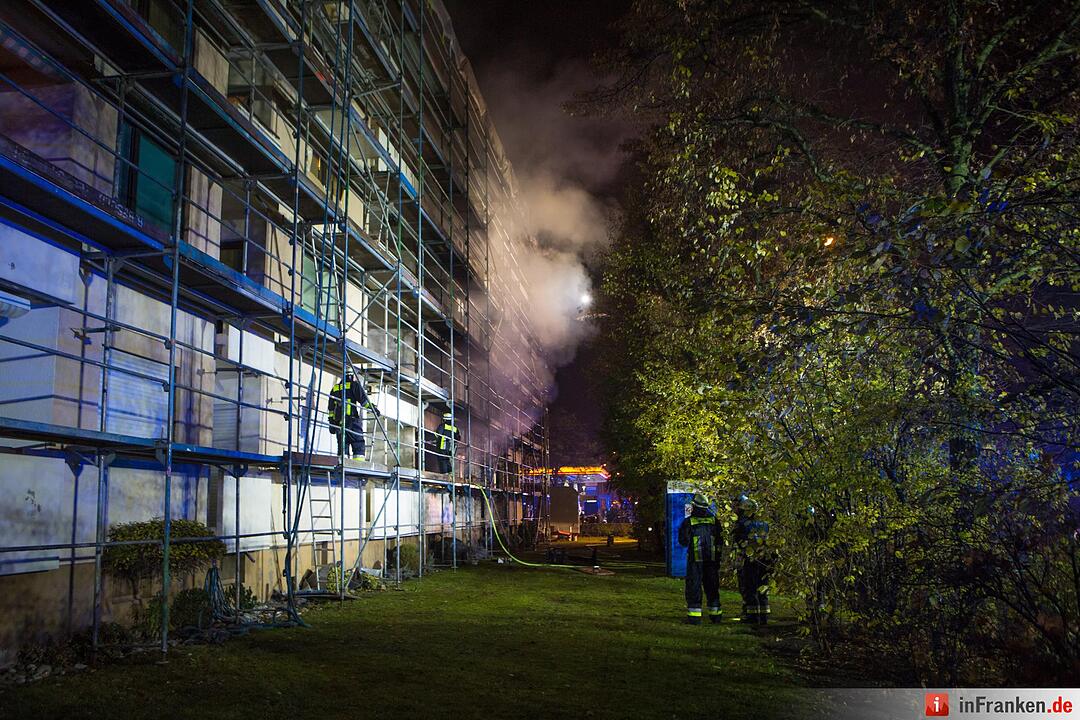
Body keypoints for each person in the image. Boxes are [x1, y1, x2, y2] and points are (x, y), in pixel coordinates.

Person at [678, 493, 723, 625]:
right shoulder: (714, 520)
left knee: (694, 587)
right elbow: (720, 540)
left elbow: (683, 541)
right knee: (712, 587)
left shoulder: (689, 522)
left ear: (694, 506)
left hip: (696, 561)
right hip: (712, 560)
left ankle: (695, 617)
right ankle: (716, 616)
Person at [733, 493, 774, 624]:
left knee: (750, 587)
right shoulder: (765, 524)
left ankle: (752, 616)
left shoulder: (743, 524)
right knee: (763, 587)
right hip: (764, 559)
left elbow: (738, 540)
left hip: (750, 559)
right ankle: (764, 617)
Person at [328, 371, 379, 461]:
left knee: (343, 446)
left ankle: (343, 465)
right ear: (352, 376)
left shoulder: (335, 388)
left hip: (339, 423)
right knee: (358, 444)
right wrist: (374, 409)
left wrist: (331, 423)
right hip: (352, 421)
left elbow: (331, 408)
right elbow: (364, 401)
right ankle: (358, 467)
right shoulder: (353, 385)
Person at [433, 410, 459, 475]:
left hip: (442, 445)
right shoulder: (455, 428)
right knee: (447, 459)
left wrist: (435, 440)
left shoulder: (442, 426)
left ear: (445, 419)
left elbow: (438, 434)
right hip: (450, 447)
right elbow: (458, 438)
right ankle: (450, 472)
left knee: (442, 459)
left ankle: (444, 474)